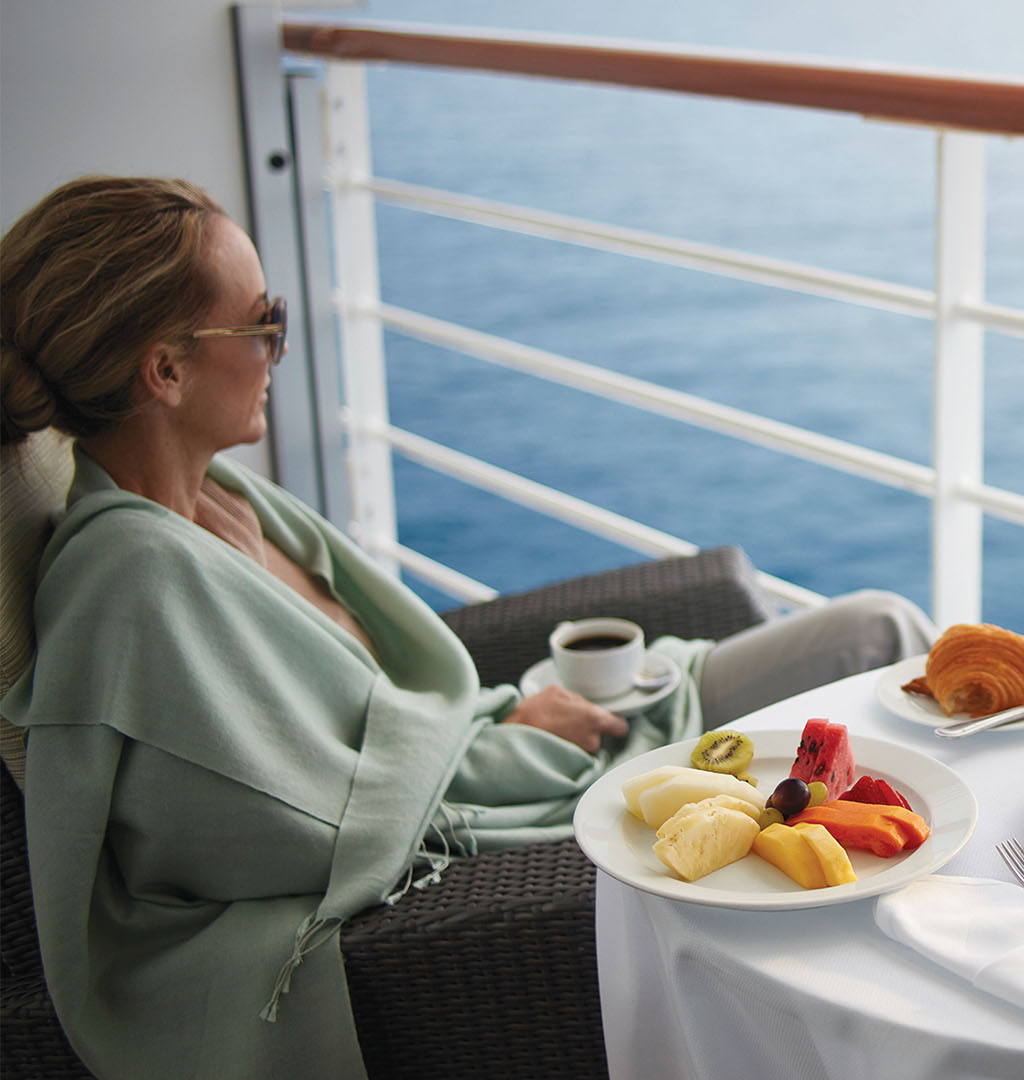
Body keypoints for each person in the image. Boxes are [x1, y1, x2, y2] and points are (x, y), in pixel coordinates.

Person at [0, 176, 935, 1080]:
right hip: (504, 788)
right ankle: (927, 1010)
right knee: (879, 654)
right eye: (262, 322)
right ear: (165, 369)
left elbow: (371, 708)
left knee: (879, 627)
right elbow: (267, 827)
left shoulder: (224, 498)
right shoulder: (128, 582)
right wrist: (512, 743)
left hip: (535, 730)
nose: (280, 346)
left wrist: (508, 720)